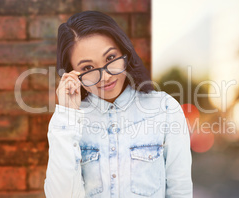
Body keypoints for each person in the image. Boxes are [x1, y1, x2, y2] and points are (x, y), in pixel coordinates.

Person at [44, 11, 192, 198]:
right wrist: (67, 115)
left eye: (110, 58)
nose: (105, 77)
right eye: (88, 68)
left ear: (125, 53)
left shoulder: (165, 109)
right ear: (72, 73)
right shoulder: (67, 122)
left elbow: (180, 191)